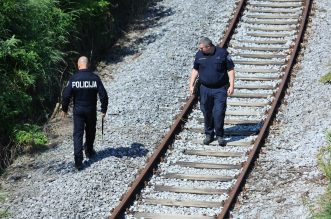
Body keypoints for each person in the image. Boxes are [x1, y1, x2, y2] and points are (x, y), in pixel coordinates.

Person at [61, 56, 108, 170]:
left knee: (78, 134)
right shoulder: (94, 78)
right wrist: (103, 109)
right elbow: (103, 95)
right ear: (89, 64)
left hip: (78, 111)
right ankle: (89, 151)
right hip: (91, 109)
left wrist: (64, 109)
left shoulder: (73, 78)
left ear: (78, 65)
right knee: (91, 131)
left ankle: (78, 162)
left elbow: (66, 95)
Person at [189, 37, 235, 146]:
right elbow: (195, 69)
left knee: (219, 112)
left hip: (220, 89)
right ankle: (209, 134)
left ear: (208, 47)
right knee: (206, 111)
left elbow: (230, 69)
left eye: (201, 48)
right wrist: (191, 84)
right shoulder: (199, 55)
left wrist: (232, 85)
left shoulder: (222, 53)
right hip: (204, 88)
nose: (199, 50)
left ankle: (220, 135)